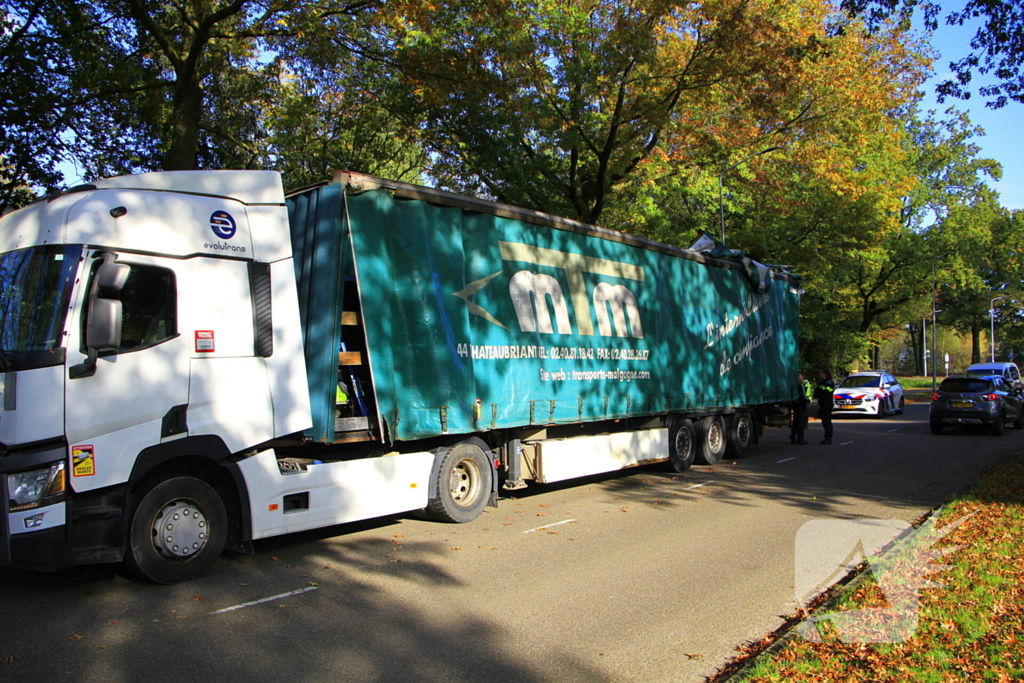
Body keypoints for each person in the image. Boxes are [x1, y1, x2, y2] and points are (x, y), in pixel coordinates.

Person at [790, 372, 812, 445]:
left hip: (796, 405)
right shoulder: (800, 386)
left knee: (796, 422)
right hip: (801, 406)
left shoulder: (794, 386)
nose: (802, 378)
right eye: (801, 377)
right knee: (801, 422)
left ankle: (793, 436)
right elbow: (802, 397)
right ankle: (800, 438)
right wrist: (807, 400)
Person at [815, 368, 835, 444]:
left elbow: (824, 394)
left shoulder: (827, 383)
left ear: (825, 374)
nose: (820, 375)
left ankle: (828, 437)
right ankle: (827, 436)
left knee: (826, 421)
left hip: (826, 404)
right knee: (825, 421)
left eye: (821, 373)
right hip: (825, 403)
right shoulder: (824, 382)